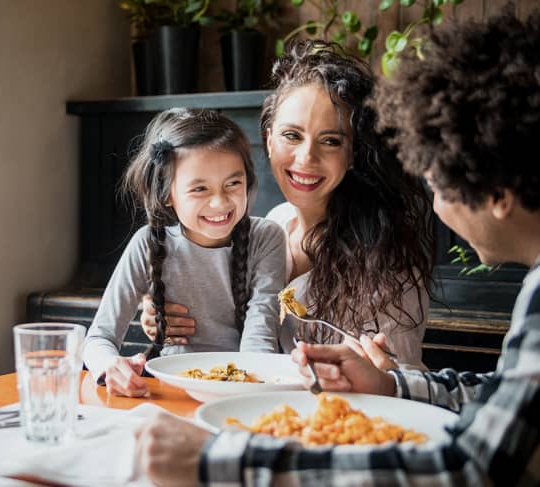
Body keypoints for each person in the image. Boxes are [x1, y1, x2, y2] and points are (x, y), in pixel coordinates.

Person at [136, 8, 540, 486]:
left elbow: (473, 466)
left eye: (439, 182)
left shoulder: (387, 251)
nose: (435, 203)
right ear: (267, 140)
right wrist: (172, 305)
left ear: (496, 197)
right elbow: (498, 399)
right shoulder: (262, 232)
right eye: (291, 135)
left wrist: (219, 461)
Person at [140, 40, 435, 368]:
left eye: (331, 141)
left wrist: (381, 371)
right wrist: (170, 315)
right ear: (268, 139)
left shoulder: (387, 261)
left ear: (353, 154)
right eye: (291, 136)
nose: (307, 157)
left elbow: (399, 383)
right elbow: (238, 332)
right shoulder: (270, 225)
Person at [83, 108, 286, 397]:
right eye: (200, 189)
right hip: (171, 388)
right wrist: (110, 366)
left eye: (233, 184)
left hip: (246, 387)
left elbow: (261, 334)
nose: (220, 202)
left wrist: (245, 388)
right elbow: (98, 338)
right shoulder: (148, 243)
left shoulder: (267, 238)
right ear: (167, 194)